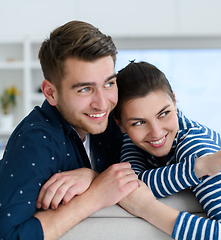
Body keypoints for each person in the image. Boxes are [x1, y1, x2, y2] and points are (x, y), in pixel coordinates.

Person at [0, 21, 140, 240]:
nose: (102, 103)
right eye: (85, 89)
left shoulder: (114, 119)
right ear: (50, 93)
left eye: (109, 84)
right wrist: (94, 196)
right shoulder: (36, 140)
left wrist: (94, 178)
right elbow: (9, 235)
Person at [113, 61, 221, 239]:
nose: (156, 132)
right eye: (139, 122)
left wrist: (149, 209)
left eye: (163, 114)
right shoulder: (131, 138)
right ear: (120, 124)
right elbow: (132, 182)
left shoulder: (196, 147)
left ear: (175, 102)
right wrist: (197, 168)